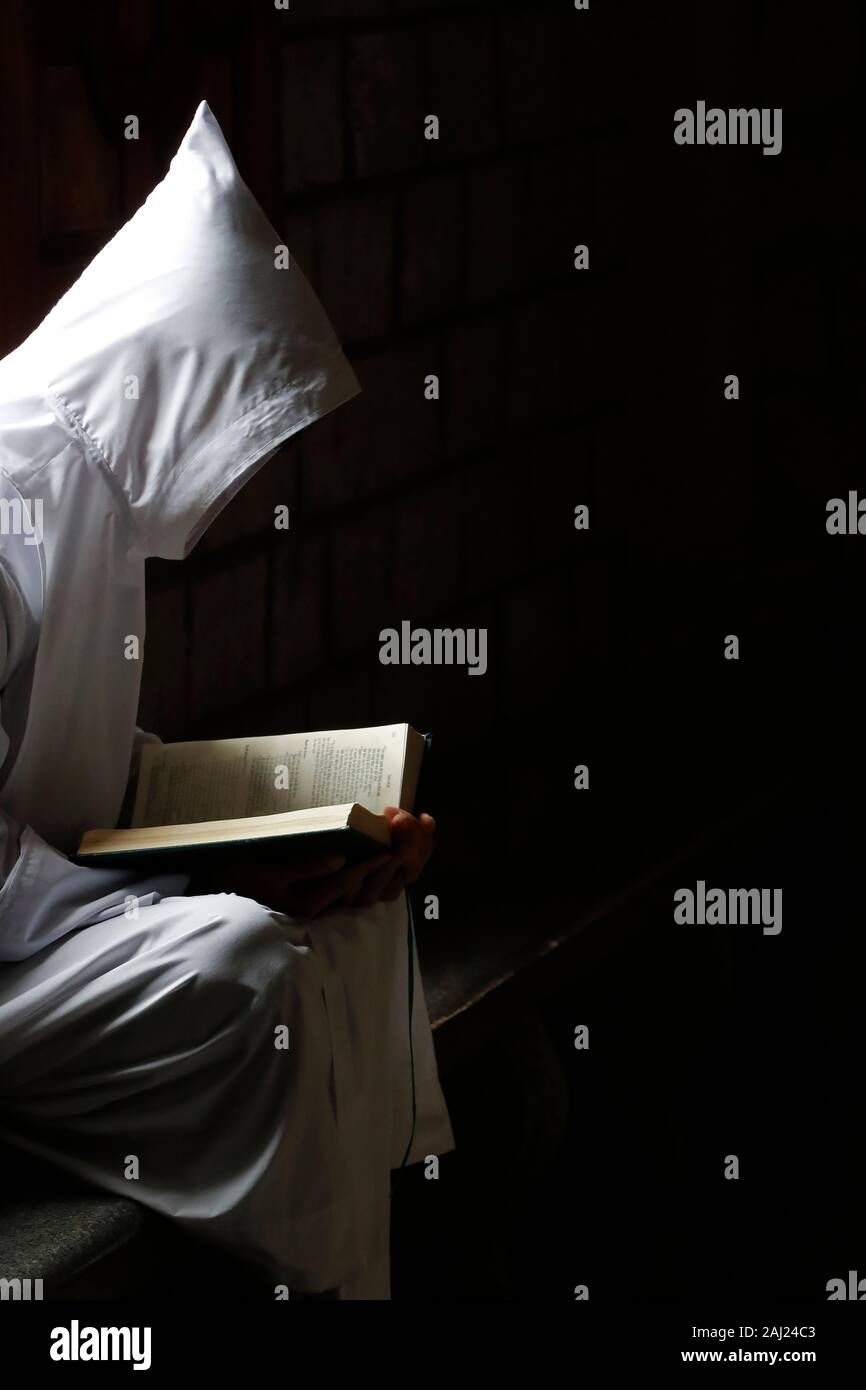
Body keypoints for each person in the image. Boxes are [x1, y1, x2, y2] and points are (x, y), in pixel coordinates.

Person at [0, 101, 453, 1300]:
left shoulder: (85, 505)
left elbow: (58, 757)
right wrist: (202, 882)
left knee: (353, 921)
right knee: (250, 970)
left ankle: (353, 1274)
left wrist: (277, 829)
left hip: (41, 929)